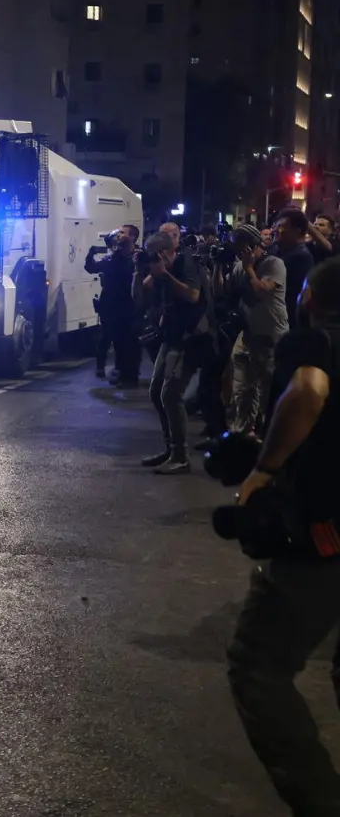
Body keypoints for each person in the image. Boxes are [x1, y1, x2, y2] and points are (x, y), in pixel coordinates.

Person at [228, 258, 340, 815]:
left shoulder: (315, 340)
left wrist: (265, 469)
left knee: (259, 668)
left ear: (310, 299)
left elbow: (308, 391)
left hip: (326, 536)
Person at [140, 230, 207, 474]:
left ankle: (181, 456)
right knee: (156, 391)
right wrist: (142, 273)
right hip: (171, 336)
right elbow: (139, 298)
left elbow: (193, 295)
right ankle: (171, 449)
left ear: (165, 253)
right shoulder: (158, 270)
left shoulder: (186, 263)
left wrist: (165, 275)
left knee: (171, 393)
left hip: (189, 337)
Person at [227, 223, 290, 437]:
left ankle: (267, 437)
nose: (238, 252)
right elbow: (224, 292)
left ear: (253, 245)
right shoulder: (239, 265)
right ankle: (243, 433)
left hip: (270, 335)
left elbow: (262, 292)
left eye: (242, 247)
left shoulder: (274, 264)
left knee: (267, 391)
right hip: (247, 334)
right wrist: (219, 266)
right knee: (242, 391)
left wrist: (249, 268)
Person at [85, 226, 140, 386]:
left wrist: (91, 254)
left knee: (119, 341)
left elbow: (91, 267)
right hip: (121, 305)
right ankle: (123, 373)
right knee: (120, 340)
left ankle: (125, 374)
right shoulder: (129, 261)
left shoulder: (114, 260)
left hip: (116, 304)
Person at [275, 209, 316, 323]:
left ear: (297, 230)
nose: (277, 230)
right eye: (277, 226)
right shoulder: (282, 251)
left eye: (282, 227)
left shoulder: (301, 257)